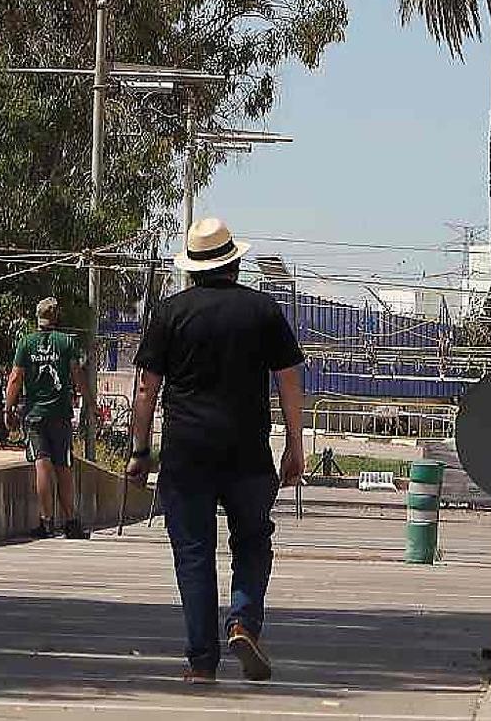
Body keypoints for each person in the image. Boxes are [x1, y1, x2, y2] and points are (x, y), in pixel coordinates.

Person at [128, 217, 306, 686]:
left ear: (192, 269)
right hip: (248, 454)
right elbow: (288, 379)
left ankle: (201, 662)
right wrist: (294, 445)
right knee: (252, 541)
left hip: (187, 454)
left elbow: (147, 389)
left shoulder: (169, 314)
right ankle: (244, 621)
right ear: (236, 263)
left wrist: (140, 450)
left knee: (193, 553)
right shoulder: (263, 310)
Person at [4, 296, 91, 540]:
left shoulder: (26, 343)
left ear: (37, 317)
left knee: (41, 464)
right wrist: (89, 403)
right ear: (57, 317)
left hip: (34, 415)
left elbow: (15, 378)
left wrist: (8, 409)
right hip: (61, 414)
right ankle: (71, 521)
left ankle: (46, 521)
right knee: (63, 466)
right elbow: (77, 374)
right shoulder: (66, 343)